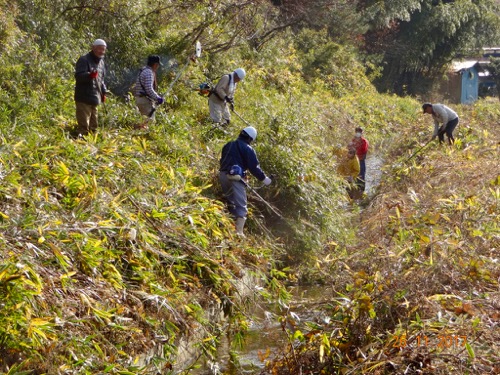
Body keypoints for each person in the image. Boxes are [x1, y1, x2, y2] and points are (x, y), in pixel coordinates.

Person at [219, 126, 272, 236]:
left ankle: (228, 227)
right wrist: (265, 179)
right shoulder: (248, 148)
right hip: (236, 178)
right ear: (250, 139)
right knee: (241, 206)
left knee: (230, 201)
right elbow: (254, 167)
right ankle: (239, 232)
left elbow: (222, 160)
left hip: (223, 175)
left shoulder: (228, 144)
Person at [73, 39, 107, 137]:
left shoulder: (101, 62)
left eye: (103, 49)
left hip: (95, 98)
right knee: (83, 127)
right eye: (99, 49)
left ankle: (92, 147)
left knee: (93, 127)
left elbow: (101, 80)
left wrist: (103, 92)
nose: (101, 51)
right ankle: (80, 146)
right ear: (93, 48)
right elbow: (79, 76)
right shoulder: (84, 59)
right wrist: (89, 75)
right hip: (84, 98)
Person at [133, 55, 165, 130]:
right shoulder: (149, 72)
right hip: (145, 101)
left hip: (140, 99)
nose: (157, 67)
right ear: (155, 64)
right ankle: (146, 139)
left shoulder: (143, 70)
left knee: (142, 123)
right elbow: (149, 89)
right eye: (157, 65)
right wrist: (158, 98)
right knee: (149, 123)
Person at [351, 127, 369, 191]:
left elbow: (364, 152)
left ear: (361, 133)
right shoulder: (353, 140)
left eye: (359, 132)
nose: (358, 133)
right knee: (354, 175)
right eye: (357, 131)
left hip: (361, 161)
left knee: (361, 176)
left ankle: (361, 191)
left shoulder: (364, 141)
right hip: (354, 160)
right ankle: (355, 190)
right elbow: (350, 149)